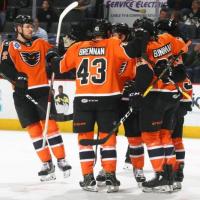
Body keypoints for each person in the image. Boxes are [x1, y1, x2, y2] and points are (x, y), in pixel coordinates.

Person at [50, 19, 147, 192]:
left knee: (84, 142)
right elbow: (133, 51)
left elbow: (57, 67)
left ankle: (88, 179)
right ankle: (110, 177)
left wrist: (53, 55)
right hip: (108, 100)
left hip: (83, 100)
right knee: (108, 141)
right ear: (109, 33)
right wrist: (140, 37)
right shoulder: (112, 43)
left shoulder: (78, 47)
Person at [0, 15, 72, 181]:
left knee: (51, 126)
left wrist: (56, 54)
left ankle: (61, 159)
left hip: (42, 90)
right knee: (34, 131)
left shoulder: (40, 42)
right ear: (18, 28)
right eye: (27, 26)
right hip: (21, 93)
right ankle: (47, 164)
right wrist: (15, 78)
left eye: (31, 26)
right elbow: (3, 66)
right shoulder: (8, 45)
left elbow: (52, 53)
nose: (31, 29)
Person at [129, 17, 189, 193]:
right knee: (165, 137)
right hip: (173, 95)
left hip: (155, 96)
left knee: (150, 137)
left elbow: (144, 75)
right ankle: (170, 177)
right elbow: (181, 59)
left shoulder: (143, 48)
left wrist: (137, 93)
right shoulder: (168, 40)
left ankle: (161, 175)